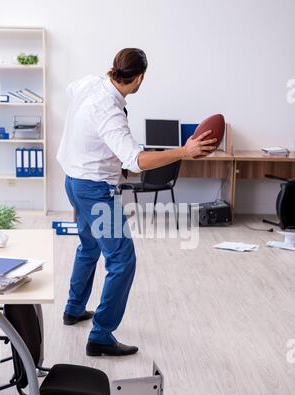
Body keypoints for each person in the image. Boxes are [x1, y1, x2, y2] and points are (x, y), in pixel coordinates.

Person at [57, 48, 217, 357]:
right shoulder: (111, 111)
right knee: (122, 261)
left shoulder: (89, 83)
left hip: (73, 181)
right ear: (140, 78)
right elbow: (136, 159)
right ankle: (101, 336)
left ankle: (73, 309)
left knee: (89, 247)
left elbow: (71, 90)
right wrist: (184, 152)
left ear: (114, 68)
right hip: (95, 189)